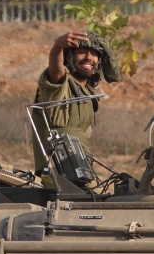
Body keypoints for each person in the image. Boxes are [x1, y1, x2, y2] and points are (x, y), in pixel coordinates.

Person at [33, 29, 118, 173]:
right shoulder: (60, 83)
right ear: (68, 57)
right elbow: (56, 68)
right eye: (82, 52)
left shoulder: (88, 92)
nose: (89, 58)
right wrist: (58, 47)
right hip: (58, 169)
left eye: (94, 54)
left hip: (79, 166)